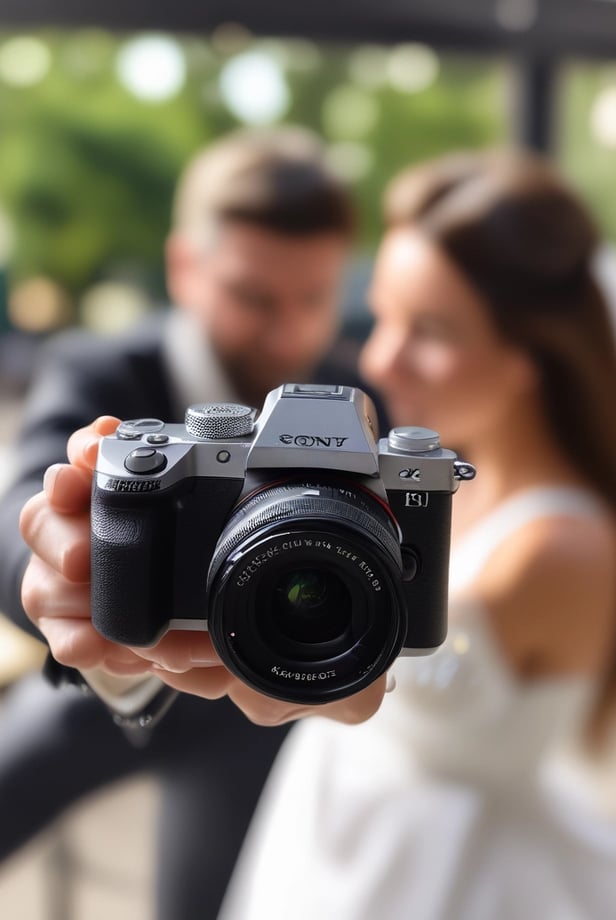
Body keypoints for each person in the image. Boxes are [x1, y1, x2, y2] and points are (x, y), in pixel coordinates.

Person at [206, 149, 616, 919]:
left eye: (429, 329)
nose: (381, 356)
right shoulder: (430, 482)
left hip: (445, 882)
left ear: (529, 356)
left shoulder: (560, 548)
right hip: (332, 844)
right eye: (382, 315)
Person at [0, 125, 372, 919]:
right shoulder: (100, 371)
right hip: (97, 693)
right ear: (185, 268)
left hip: (274, 708)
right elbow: (20, 510)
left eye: (314, 300)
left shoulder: (362, 402)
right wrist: (58, 565)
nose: (288, 332)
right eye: (253, 298)